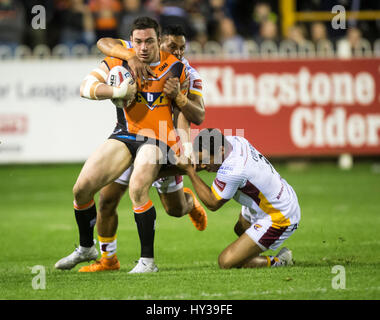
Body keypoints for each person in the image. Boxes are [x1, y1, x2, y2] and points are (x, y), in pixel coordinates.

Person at [55, 17, 190, 273]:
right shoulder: (119, 61)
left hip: (158, 138)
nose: (143, 47)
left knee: (139, 189)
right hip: (126, 134)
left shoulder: (176, 68)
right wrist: (118, 92)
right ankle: (87, 248)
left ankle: (147, 262)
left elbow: (184, 113)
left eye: (149, 41)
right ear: (131, 41)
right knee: (82, 189)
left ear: (158, 41)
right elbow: (86, 87)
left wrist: (185, 145)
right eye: (138, 41)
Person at [176, 129, 301, 269]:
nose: (203, 165)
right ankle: (247, 256)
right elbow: (198, 162)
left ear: (221, 150)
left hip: (280, 215)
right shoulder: (234, 141)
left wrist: (190, 171)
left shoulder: (234, 169)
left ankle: (280, 261)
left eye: (205, 160)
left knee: (226, 262)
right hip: (273, 198)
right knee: (240, 228)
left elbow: (212, 203)